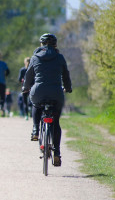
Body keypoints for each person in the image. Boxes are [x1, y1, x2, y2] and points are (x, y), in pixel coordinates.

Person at [22, 33, 72, 166]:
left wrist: (25, 88)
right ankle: (57, 153)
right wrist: (68, 87)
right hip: (56, 92)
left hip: (38, 91)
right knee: (56, 123)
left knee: (36, 104)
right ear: (55, 45)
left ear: (41, 44)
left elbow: (28, 76)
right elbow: (66, 75)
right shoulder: (60, 57)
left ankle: (35, 130)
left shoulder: (35, 57)